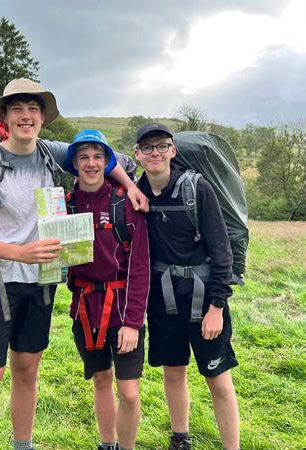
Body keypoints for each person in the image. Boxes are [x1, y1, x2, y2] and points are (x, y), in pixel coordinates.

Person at [0, 78, 148, 450]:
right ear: (4, 117)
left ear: (43, 117)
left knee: (27, 372)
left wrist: (132, 187)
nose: (25, 116)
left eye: (33, 109)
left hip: (41, 281)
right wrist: (19, 253)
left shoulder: (50, 152)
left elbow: (98, 157)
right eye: (17, 109)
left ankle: (22, 445)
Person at [135, 123, 240, 450]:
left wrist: (217, 307)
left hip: (204, 298)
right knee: (173, 371)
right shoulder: (137, 193)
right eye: (147, 147)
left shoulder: (197, 189)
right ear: (137, 154)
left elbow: (222, 251)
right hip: (162, 299)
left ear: (173, 151)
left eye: (161, 146)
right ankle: (180, 438)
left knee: (217, 379)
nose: (155, 152)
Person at [64, 129, 150, 450]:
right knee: (101, 380)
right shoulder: (65, 206)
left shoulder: (124, 204)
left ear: (107, 162)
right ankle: (107, 444)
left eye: (98, 156)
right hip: (85, 309)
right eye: (84, 157)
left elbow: (140, 267)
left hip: (122, 310)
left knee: (129, 392)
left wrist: (133, 323)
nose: (91, 163)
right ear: (74, 163)